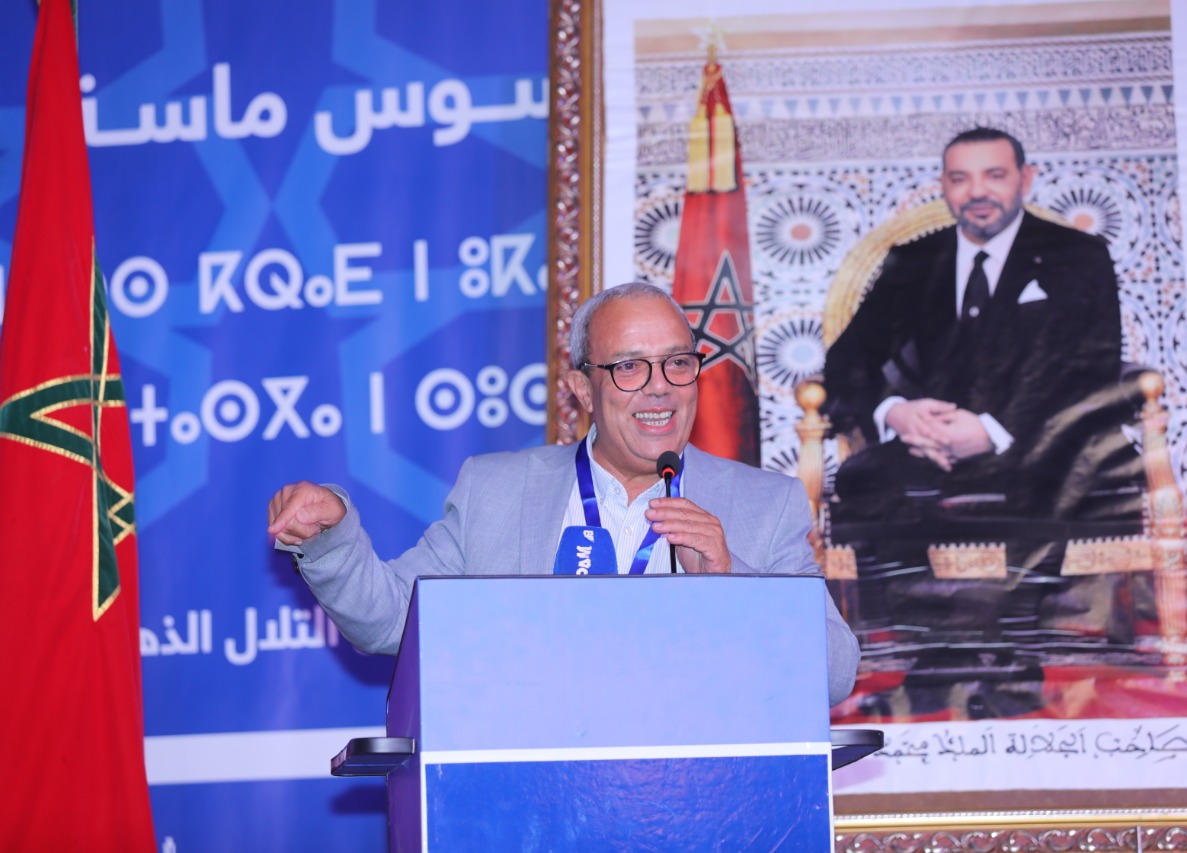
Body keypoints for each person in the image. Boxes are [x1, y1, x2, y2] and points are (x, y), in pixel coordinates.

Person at [268, 282, 859, 706]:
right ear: (581, 387)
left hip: (696, 804)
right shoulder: (496, 491)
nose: (660, 389)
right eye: (630, 367)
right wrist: (332, 537)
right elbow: (391, 621)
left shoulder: (766, 504)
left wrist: (734, 583)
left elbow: (835, 674)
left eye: (677, 363)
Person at [822, 127, 1127, 522]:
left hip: (1038, 448)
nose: (977, 192)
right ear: (943, 185)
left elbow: (1094, 371)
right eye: (960, 179)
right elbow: (847, 360)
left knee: (1053, 489)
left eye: (994, 175)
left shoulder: (1077, 256)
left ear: (1025, 178)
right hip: (925, 450)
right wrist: (896, 413)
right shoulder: (914, 261)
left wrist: (992, 431)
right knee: (860, 480)